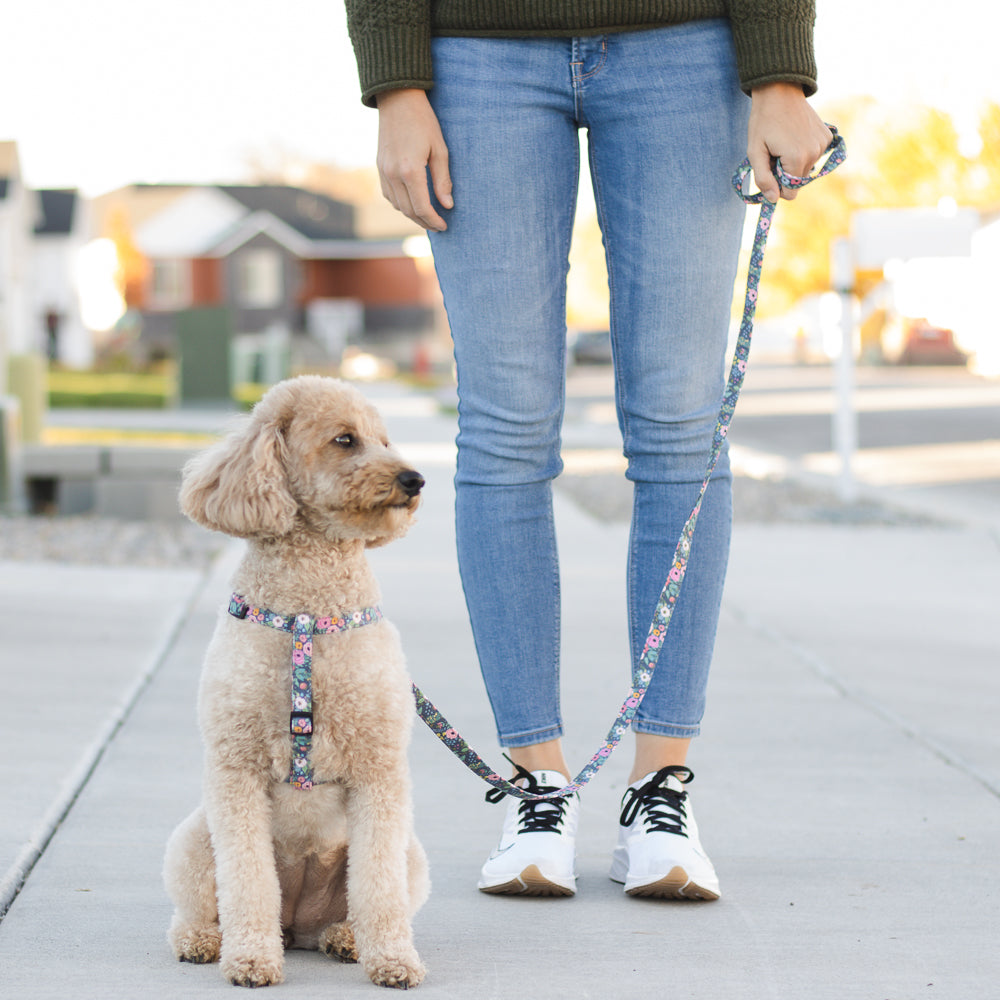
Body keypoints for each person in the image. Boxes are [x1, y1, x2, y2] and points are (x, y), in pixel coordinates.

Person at [345, 1, 832, 900]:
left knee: (681, 427)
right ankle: (537, 788)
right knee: (505, 428)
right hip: (475, 53)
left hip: (685, 45)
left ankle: (660, 793)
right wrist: (396, 85)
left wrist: (779, 75)